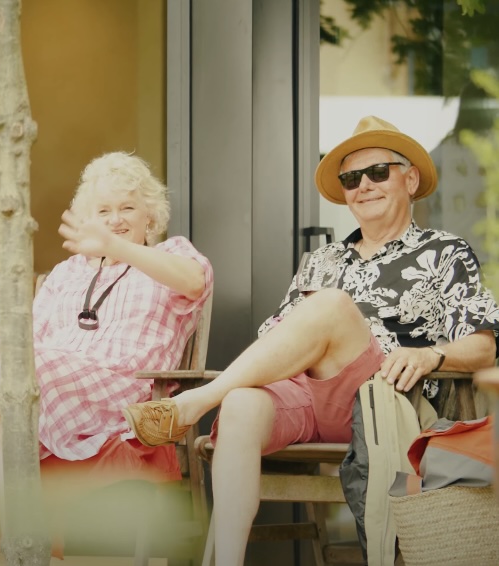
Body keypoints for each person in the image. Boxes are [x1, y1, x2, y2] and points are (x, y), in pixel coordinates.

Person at [123, 115, 499, 566]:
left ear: (410, 178)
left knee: (330, 306)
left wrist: (430, 353)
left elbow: (484, 346)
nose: (364, 185)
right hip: (307, 395)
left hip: (384, 398)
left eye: (378, 172)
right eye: (351, 178)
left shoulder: (445, 251)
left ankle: (195, 404)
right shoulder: (323, 259)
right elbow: (276, 340)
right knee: (241, 403)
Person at [0, 152, 213, 536]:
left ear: (151, 214)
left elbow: (195, 282)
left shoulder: (170, 254)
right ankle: (21, 548)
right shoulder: (68, 273)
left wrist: (117, 247)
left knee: (26, 375)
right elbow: (21, 345)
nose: (115, 220)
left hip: (126, 396)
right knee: (15, 402)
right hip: (48, 391)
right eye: (104, 211)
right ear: (87, 219)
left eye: (128, 207)